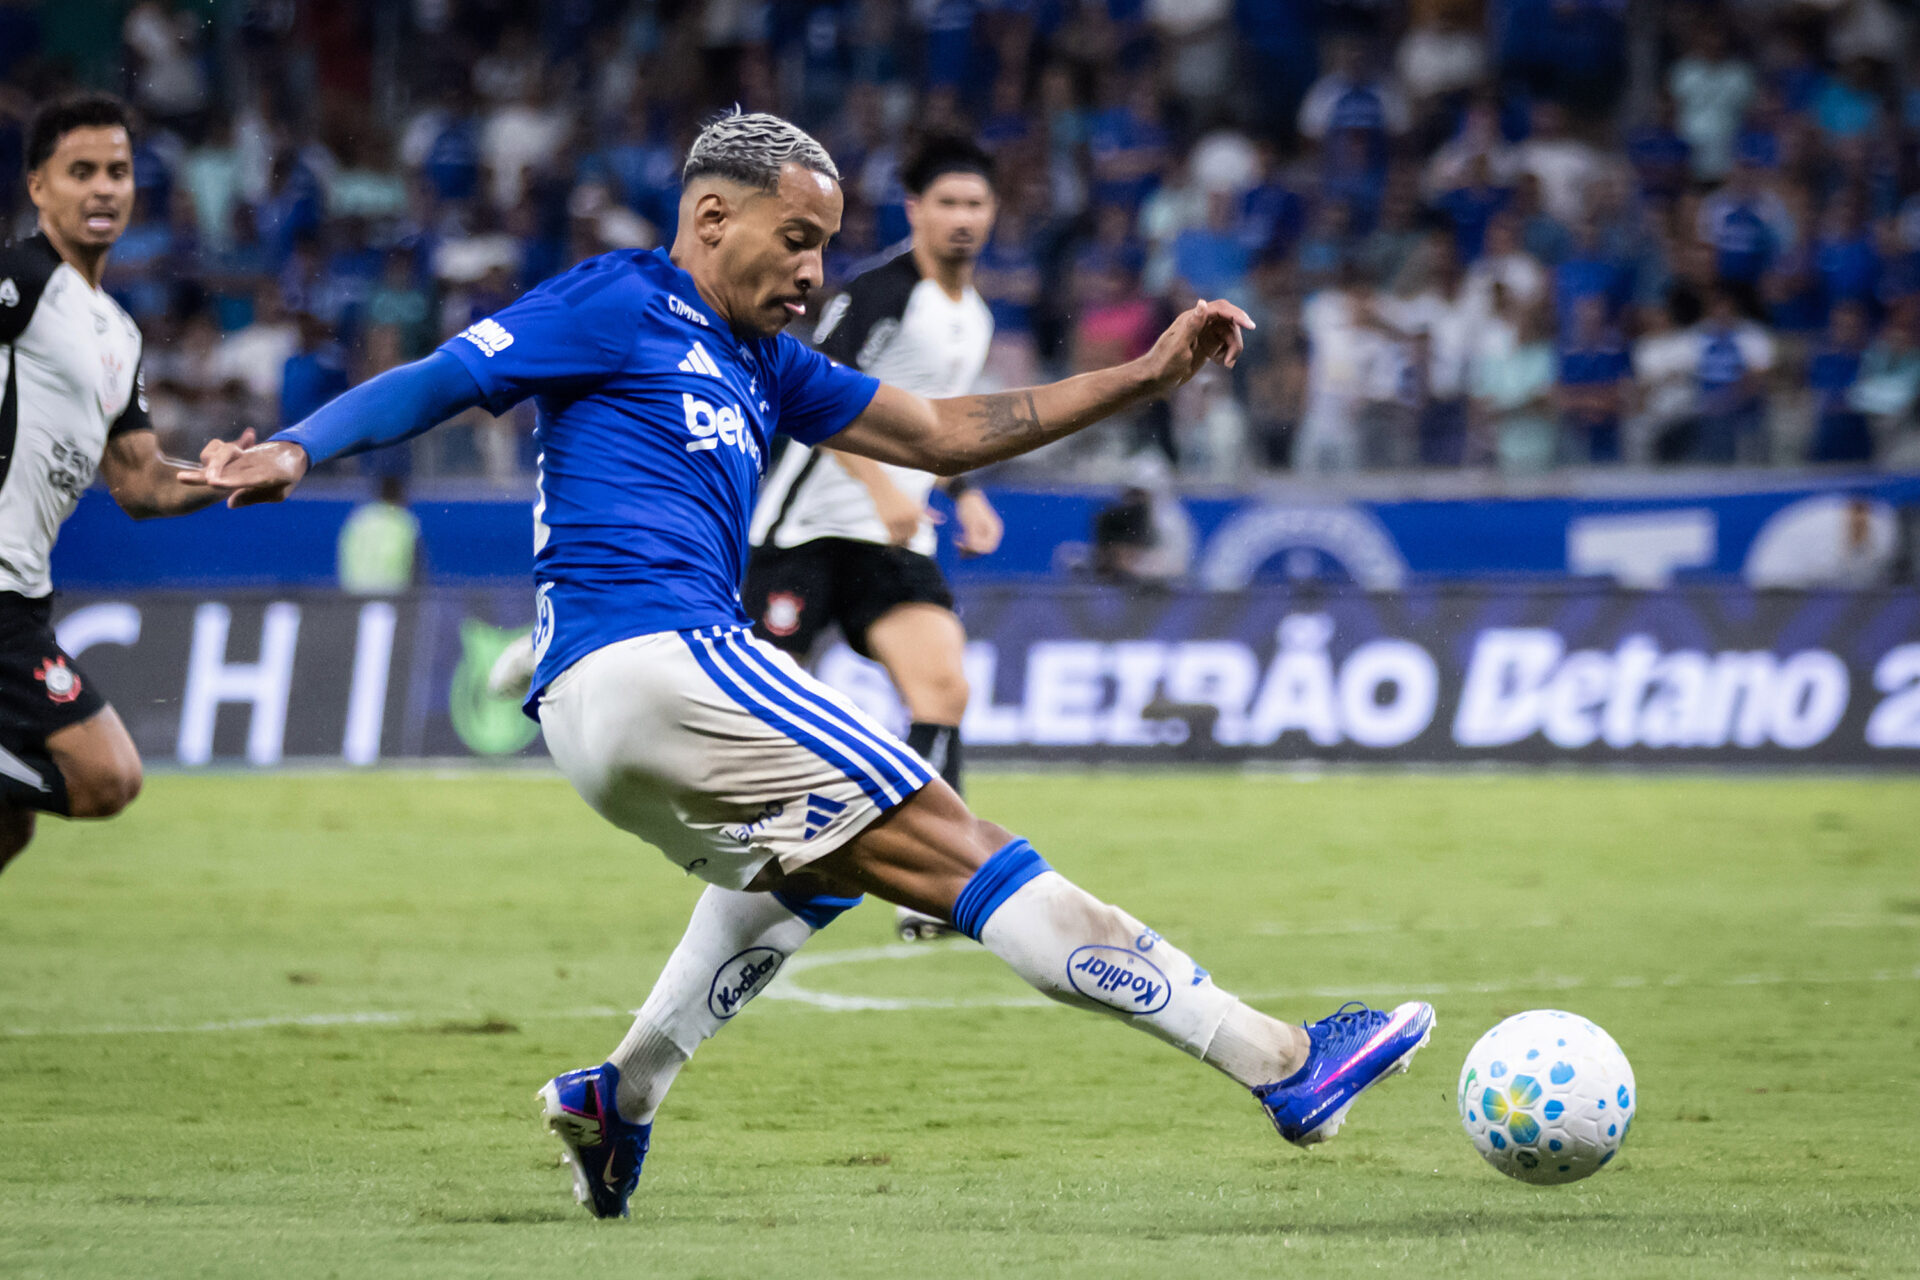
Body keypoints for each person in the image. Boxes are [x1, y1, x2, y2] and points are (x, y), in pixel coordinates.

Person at [188, 111, 1433, 1221]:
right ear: (712, 216)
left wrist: (1148, 376)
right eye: (796, 240)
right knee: (963, 844)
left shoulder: (768, 363)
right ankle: (1278, 1060)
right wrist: (299, 448)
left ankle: (619, 1095)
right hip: (658, 654)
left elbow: (949, 431)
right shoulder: (620, 299)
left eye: (827, 247)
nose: (814, 271)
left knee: (820, 871)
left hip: (604, 711)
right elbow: (447, 375)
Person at [744, 134, 1003, 943]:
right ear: (916, 211)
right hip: (806, 529)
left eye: (976, 205)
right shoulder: (881, 294)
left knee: (943, 691)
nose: (963, 219)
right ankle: (753, 865)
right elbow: (813, 394)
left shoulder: (977, 317)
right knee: (760, 706)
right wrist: (882, 486)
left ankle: (933, 890)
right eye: (948, 204)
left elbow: (932, 422)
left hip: (893, 539)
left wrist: (963, 493)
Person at [0, 94, 250, 875]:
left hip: (26, 595)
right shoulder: (20, 279)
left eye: (117, 171)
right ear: (39, 187)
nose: (103, 188)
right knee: (106, 776)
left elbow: (140, 483)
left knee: (9, 828)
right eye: (80, 172)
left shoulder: (117, 331)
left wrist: (228, 477)